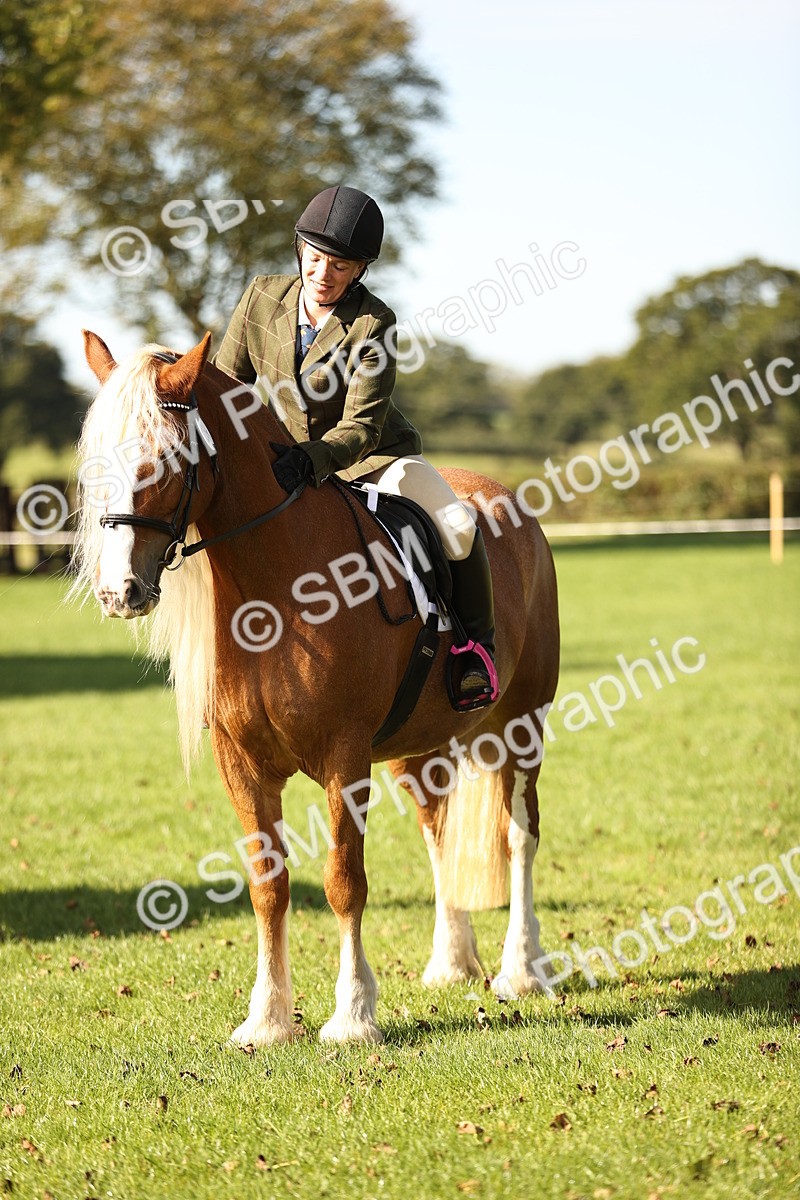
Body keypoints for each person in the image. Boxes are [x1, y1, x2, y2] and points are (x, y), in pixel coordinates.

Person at [213, 184, 498, 709]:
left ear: (360, 270)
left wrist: (311, 459)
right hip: (285, 462)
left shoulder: (374, 323)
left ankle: (475, 651)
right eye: (315, 258)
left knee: (458, 526)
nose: (323, 274)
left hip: (374, 459)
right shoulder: (261, 297)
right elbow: (226, 388)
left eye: (340, 265)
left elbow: (362, 426)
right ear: (300, 250)